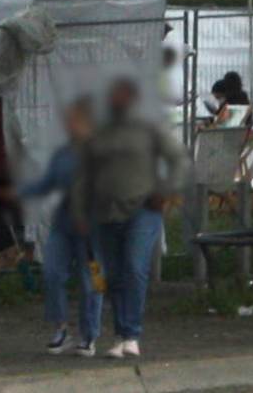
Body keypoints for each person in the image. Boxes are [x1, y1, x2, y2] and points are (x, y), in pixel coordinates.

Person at [73, 77, 189, 360]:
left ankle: (132, 334)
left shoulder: (150, 129)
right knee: (113, 275)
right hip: (106, 211)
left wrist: (166, 191)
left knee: (135, 268)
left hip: (143, 209)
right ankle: (120, 334)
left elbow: (179, 159)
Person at [17, 97, 102, 357]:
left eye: (76, 120)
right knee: (52, 272)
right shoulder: (63, 154)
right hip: (64, 223)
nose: (70, 125)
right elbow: (48, 183)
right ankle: (61, 328)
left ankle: (89, 335)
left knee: (92, 281)